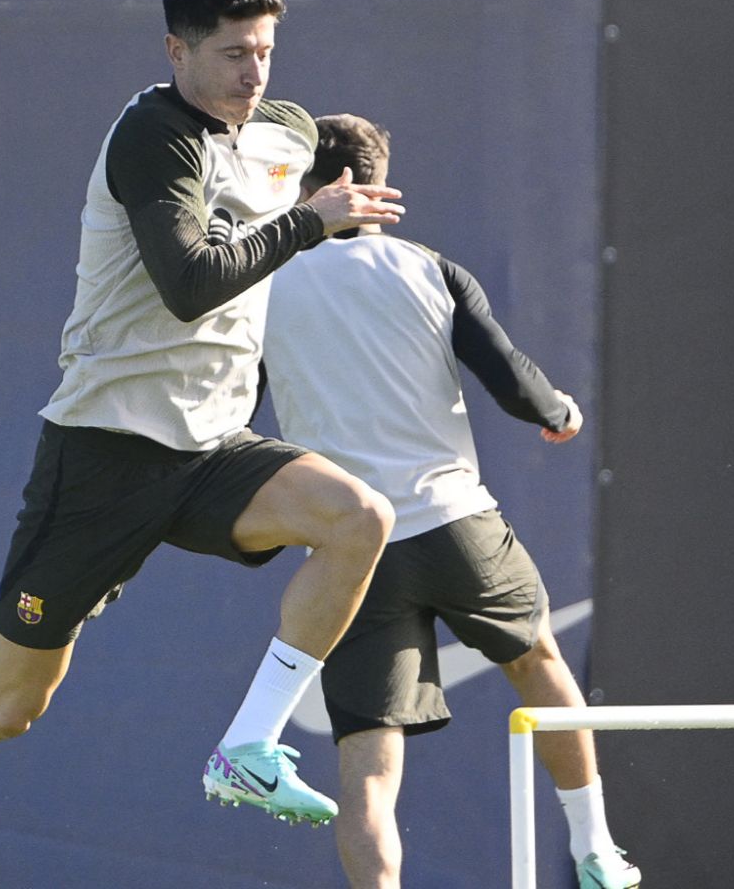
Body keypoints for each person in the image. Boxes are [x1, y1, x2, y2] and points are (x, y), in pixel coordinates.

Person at [0, 0, 405, 889]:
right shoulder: (152, 135)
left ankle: (248, 745)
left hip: (211, 447)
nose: (255, 73)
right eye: (233, 53)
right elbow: (192, 282)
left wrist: (349, 201)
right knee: (10, 706)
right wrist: (313, 226)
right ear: (177, 49)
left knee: (359, 517)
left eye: (267, 52)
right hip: (104, 453)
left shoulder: (281, 130)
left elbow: (313, 179)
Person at [263, 114, 641, 888]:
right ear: (373, 183)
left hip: (353, 554)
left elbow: (229, 412)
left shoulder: (261, 286)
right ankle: (595, 847)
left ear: (314, 186)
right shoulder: (427, 268)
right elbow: (512, 379)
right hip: (458, 527)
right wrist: (559, 412)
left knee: (367, 767)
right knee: (539, 663)